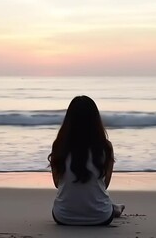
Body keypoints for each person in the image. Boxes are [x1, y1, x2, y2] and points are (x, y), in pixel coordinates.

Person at [48, 95, 125, 226]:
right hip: (101, 217)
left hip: (63, 216)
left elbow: (57, 183)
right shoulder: (105, 147)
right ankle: (114, 208)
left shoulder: (59, 145)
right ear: (95, 119)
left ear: (68, 120)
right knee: (102, 200)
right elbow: (105, 184)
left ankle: (112, 207)